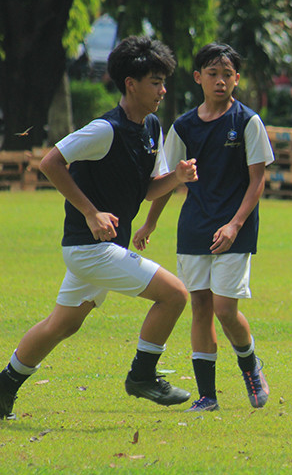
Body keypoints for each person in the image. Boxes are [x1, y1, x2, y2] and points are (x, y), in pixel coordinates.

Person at [0, 36, 196, 421]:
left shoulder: (151, 126)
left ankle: (4, 385)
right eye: (155, 81)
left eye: (163, 81)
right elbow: (51, 162)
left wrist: (176, 177)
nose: (163, 89)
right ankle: (142, 376)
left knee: (63, 323)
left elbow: (147, 189)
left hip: (100, 248)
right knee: (175, 295)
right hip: (90, 248)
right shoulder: (105, 129)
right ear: (130, 84)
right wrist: (91, 213)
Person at [133, 43, 274, 413]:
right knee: (200, 307)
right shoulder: (183, 126)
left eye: (227, 74)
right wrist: (150, 221)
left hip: (235, 230)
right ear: (198, 78)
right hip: (195, 228)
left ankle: (250, 365)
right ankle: (207, 396)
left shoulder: (247, 122)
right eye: (212, 73)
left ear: (237, 79)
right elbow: (167, 179)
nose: (220, 80)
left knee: (226, 310)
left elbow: (257, 180)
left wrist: (235, 223)